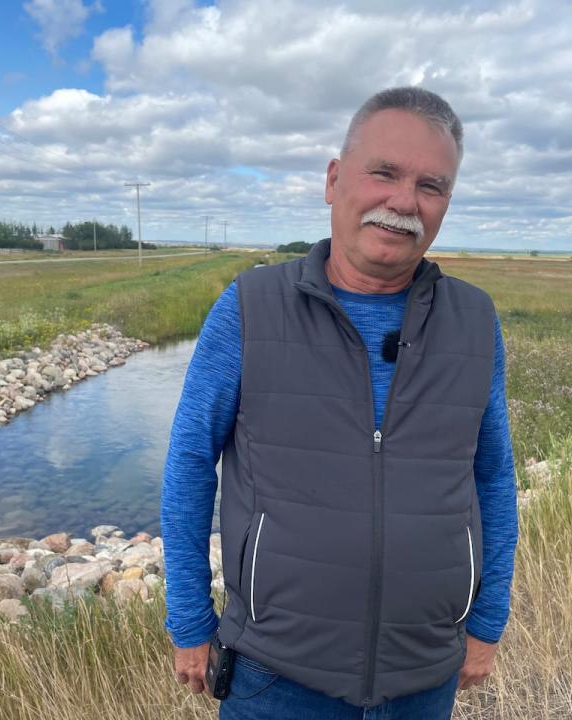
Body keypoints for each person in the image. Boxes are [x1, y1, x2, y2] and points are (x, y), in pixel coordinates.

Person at [160, 87, 518, 719]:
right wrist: (190, 619)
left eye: (431, 186)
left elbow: (492, 475)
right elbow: (190, 462)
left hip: (424, 677)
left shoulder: (475, 321)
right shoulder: (249, 307)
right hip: (275, 677)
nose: (404, 202)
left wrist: (487, 621)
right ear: (333, 179)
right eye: (384, 172)